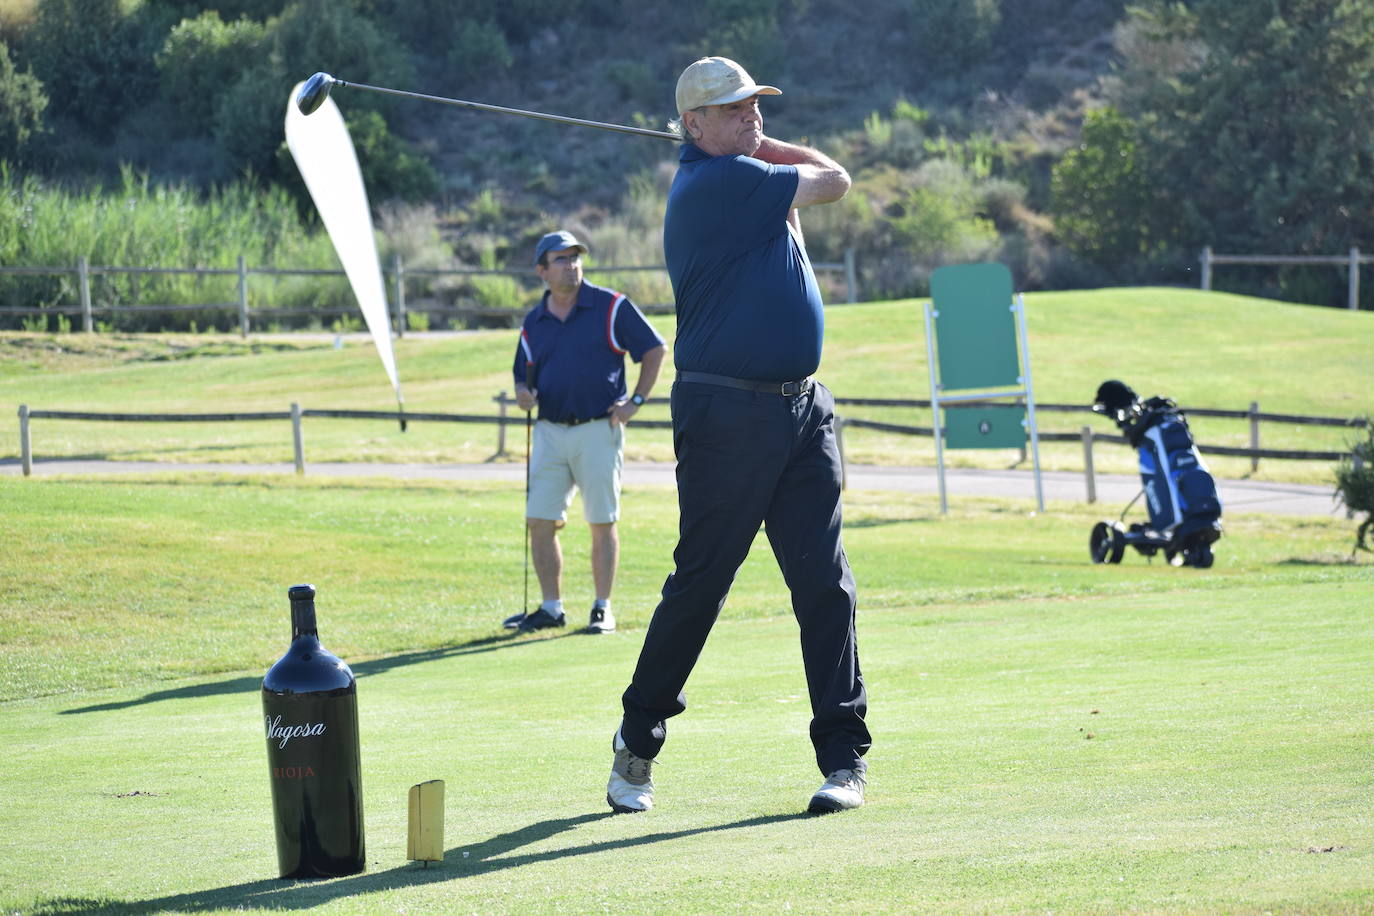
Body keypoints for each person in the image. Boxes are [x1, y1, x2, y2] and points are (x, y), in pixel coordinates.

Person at [605, 58, 871, 815]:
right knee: (703, 584)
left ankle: (844, 760)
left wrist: (754, 140)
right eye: (732, 108)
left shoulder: (743, 170)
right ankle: (636, 740)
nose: (751, 115)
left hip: (802, 410)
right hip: (728, 414)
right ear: (693, 124)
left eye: (755, 103)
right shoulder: (720, 185)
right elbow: (835, 180)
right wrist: (769, 148)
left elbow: (825, 180)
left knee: (825, 582)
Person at [506, 230, 666, 635]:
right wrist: (523, 394)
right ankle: (550, 607)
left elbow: (655, 349)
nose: (571, 266)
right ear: (541, 270)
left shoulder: (611, 306)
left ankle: (602, 607)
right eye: (561, 259)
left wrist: (636, 402)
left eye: (575, 258)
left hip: (599, 428)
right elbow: (522, 375)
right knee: (540, 520)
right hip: (549, 431)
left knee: (602, 521)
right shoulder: (534, 321)